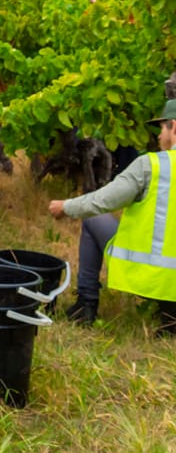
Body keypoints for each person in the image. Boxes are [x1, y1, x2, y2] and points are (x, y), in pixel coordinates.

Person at [49, 99, 176, 334]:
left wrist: (65, 207)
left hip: (150, 275)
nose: (158, 136)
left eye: (162, 128)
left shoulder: (152, 165)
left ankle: (86, 305)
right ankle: (170, 316)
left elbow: (103, 201)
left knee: (93, 220)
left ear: (174, 128)